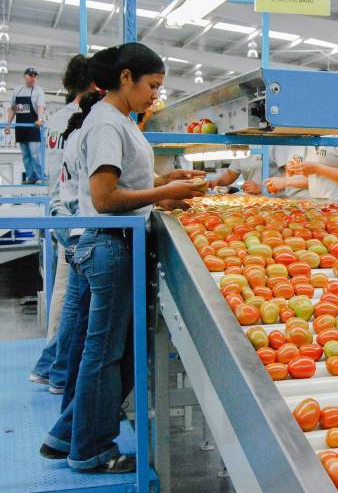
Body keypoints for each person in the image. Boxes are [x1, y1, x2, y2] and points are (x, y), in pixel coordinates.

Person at [41, 42, 205, 474]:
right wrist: (164, 193)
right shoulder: (107, 124)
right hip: (109, 245)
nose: (156, 95)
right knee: (106, 355)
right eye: (152, 85)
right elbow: (105, 196)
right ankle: (91, 450)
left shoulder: (114, 120)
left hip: (108, 242)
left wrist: (164, 182)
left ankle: (65, 436)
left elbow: (124, 179)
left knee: (102, 351)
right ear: (126, 77)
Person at [29, 55, 95, 394]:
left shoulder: (56, 118)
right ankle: (55, 369)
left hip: (56, 206)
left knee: (65, 293)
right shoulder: (83, 120)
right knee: (73, 298)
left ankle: (49, 366)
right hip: (73, 214)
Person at [268, 142, 338, 202]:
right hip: (322, 205)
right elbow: (316, 175)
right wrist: (295, 169)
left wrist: (316, 168)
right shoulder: (317, 135)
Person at [5, 67, 46, 183]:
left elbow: (40, 106)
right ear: (25, 76)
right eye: (30, 75)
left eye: (35, 76)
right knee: (26, 156)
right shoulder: (17, 91)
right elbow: (13, 109)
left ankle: (40, 176)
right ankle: (31, 177)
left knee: (35, 153)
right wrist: (8, 125)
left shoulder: (38, 91)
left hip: (33, 128)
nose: (33, 78)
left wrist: (40, 119)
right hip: (21, 128)